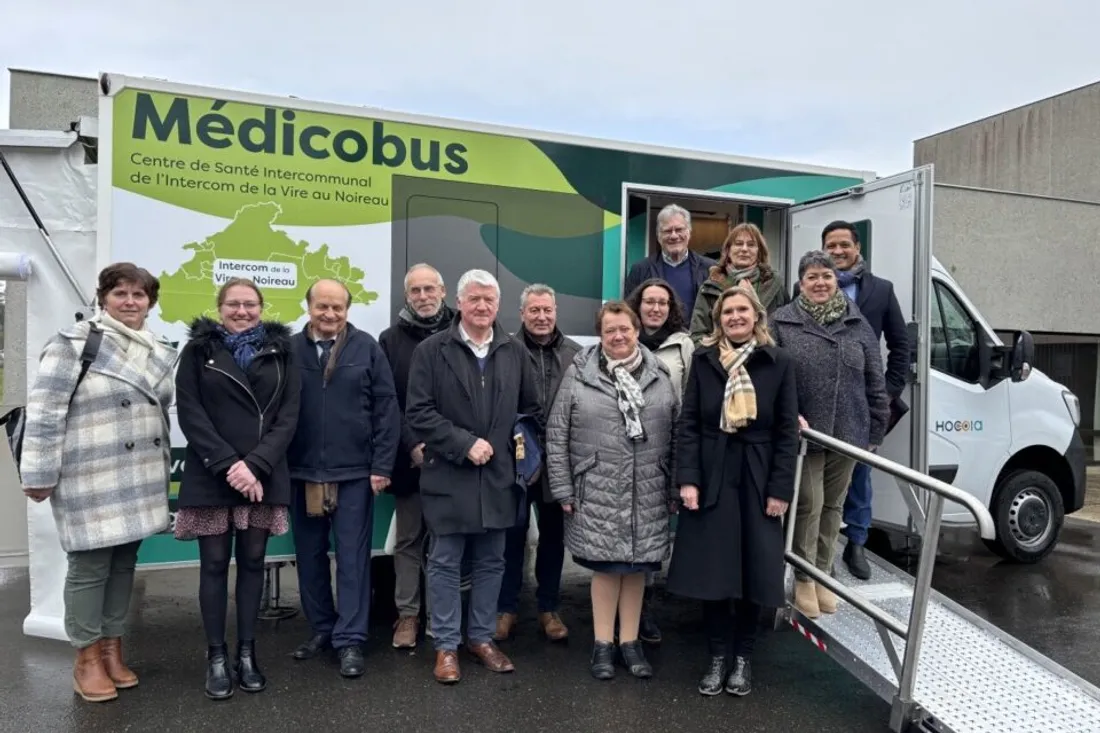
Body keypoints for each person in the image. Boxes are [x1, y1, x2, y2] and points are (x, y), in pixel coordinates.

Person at [19, 263, 178, 703]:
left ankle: (112, 648)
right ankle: (86, 658)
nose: (130, 302)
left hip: (141, 476)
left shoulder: (159, 348)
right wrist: (38, 473)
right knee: (89, 567)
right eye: (120, 293)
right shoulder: (73, 345)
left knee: (124, 563)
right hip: (90, 475)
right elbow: (46, 412)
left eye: (139, 295)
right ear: (103, 297)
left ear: (151, 302)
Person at [405, 269, 543, 684]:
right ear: (459, 304)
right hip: (449, 474)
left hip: (498, 477)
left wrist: (518, 451)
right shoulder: (432, 350)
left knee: (491, 563)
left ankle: (481, 639)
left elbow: (530, 408)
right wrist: (464, 443)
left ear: (498, 306)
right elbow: (418, 413)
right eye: (474, 299)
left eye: (489, 300)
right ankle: (446, 646)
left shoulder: (513, 351)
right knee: (445, 562)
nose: (482, 306)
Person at [666, 285, 799, 697]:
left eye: (742, 310)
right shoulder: (705, 361)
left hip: (758, 478)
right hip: (712, 474)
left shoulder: (778, 362)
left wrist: (780, 489)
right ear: (718, 319)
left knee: (754, 572)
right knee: (713, 572)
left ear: (756, 316)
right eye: (727, 312)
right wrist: (687, 479)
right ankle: (717, 655)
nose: (735, 317)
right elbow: (688, 424)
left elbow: (786, 432)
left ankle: (743, 657)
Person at [174, 278, 301, 700]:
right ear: (219, 307)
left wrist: (256, 466)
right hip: (213, 475)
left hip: (262, 477)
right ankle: (215, 656)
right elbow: (190, 412)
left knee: (252, 563)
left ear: (261, 308)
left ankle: (247, 654)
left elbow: (289, 416)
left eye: (250, 304)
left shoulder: (283, 353)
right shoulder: (198, 351)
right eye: (233, 304)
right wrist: (230, 465)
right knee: (212, 565)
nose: (241, 311)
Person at [547, 301, 679, 681]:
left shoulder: (659, 374)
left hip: (648, 489)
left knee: (637, 568)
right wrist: (563, 488)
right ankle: (603, 644)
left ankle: (631, 643)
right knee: (606, 568)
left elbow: (675, 434)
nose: (618, 336)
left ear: (636, 330)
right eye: (610, 331)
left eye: (625, 329)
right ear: (600, 335)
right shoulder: (580, 374)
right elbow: (557, 436)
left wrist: (672, 486)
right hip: (597, 488)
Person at [287, 279, 401, 678]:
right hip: (301, 472)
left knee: (353, 559)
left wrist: (382, 464)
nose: (330, 314)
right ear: (309, 307)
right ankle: (322, 628)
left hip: (354, 473)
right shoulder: (289, 349)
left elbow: (387, 409)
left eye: (337, 308)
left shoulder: (367, 347)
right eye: (322, 307)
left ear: (347, 310)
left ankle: (350, 639)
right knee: (310, 558)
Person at [771, 251, 889, 619]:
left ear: (836, 280)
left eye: (826, 276)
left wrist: (877, 426)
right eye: (812, 277)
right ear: (800, 284)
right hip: (806, 434)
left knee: (834, 506)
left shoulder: (858, 324)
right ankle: (804, 576)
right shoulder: (781, 321)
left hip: (850, 430)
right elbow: (771, 378)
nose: (820, 283)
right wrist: (787, 416)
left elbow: (875, 376)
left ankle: (823, 573)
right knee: (809, 502)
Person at [820, 220, 911, 580]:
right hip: (820, 399)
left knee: (860, 473)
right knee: (817, 475)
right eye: (831, 246)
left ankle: (857, 543)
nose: (838, 252)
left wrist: (888, 393)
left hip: (862, 401)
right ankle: (819, 546)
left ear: (858, 248)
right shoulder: (807, 287)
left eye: (844, 244)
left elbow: (901, 344)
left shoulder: (882, 290)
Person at [494, 284, 580, 643]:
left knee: (552, 539)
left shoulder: (576, 354)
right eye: (534, 311)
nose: (542, 317)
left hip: (560, 460)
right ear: (522, 314)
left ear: (556, 311)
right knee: (511, 537)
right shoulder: (506, 351)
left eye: (547, 310)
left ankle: (548, 608)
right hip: (517, 460)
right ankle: (506, 609)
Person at [379, 263, 456, 649]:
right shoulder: (390, 340)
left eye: (430, 289)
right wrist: (413, 444)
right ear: (406, 296)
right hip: (412, 459)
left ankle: (443, 620)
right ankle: (407, 616)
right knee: (409, 540)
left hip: (456, 458)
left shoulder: (466, 332)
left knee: (450, 540)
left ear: (443, 291)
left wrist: (450, 443)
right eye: (415, 291)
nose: (423, 297)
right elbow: (389, 400)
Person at [624, 277, 695, 645]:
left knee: (653, 532)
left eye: (662, 303)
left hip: (665, 449)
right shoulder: (622, 340)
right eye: (649, 301)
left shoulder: (683, 346)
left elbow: (690, 397)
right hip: (625, 449)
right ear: (638, 305)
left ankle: (644, 609)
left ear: (671, 308)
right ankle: (618, 609)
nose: (655, 308)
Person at [689, 223, 789, 345]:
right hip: (721, 360)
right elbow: (697, 335)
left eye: (751, 245)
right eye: (738, 244)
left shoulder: (775, 285)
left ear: (759, 251)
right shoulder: (709, 288)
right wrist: (719, 357)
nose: (744, 249)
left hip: (766, 358)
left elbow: (786, 332)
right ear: (728, 250)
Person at [623, 204, 715, 322]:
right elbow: (629, 313)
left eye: (679, 229)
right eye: (667, 231)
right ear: (658, 236)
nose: (674, 236)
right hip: (654, 340)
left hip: (696, 339)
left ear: (689, 233)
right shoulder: (640, 270)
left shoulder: (710, 269)